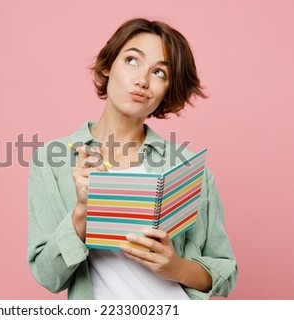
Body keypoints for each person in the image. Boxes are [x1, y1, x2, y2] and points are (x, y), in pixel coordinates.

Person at [28, 18, 237, 300]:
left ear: (167, 91)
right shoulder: (53, 161)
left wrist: (175, 268)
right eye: (131, 60)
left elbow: (225, 273)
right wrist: (81, 212)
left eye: (160, 73)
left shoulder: (188, 168)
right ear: (107, 66)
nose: (142, 80)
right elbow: (48, 276)